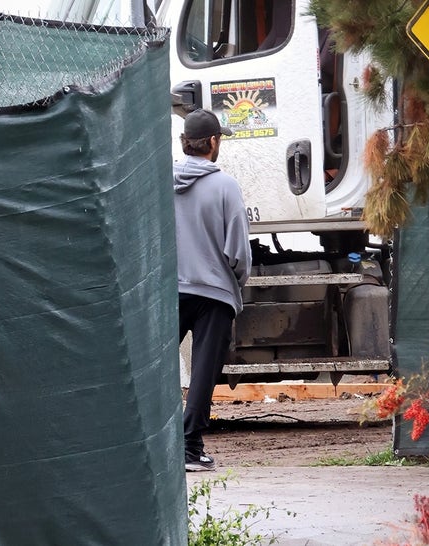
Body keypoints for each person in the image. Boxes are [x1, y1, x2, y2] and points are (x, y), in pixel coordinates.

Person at [173, 108, 252, 472]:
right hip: (214, 293)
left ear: (184, 143)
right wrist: (238, 282)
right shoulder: (225, 186)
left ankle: (151, 439)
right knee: (203, 371)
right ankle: (191, 448)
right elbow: (237, 250)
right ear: (214, 143)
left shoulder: (161, 182)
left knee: (155, 366)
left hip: (169, 289)